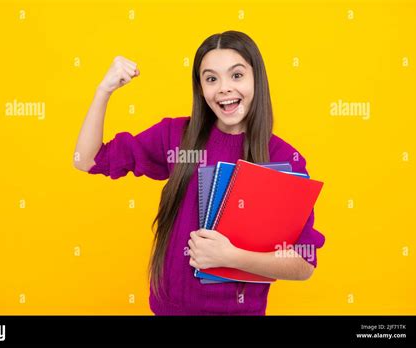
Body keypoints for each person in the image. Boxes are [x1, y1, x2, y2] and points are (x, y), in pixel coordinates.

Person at [73, 30, 325, 315]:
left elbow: (304, 264)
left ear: (257, 79)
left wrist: (230, 257)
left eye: (237, 75)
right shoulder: (176, 137)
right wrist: (103, 91)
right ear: (201, 88)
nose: (224, 88)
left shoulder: (285, 159)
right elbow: (88, 160)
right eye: (211, 78)